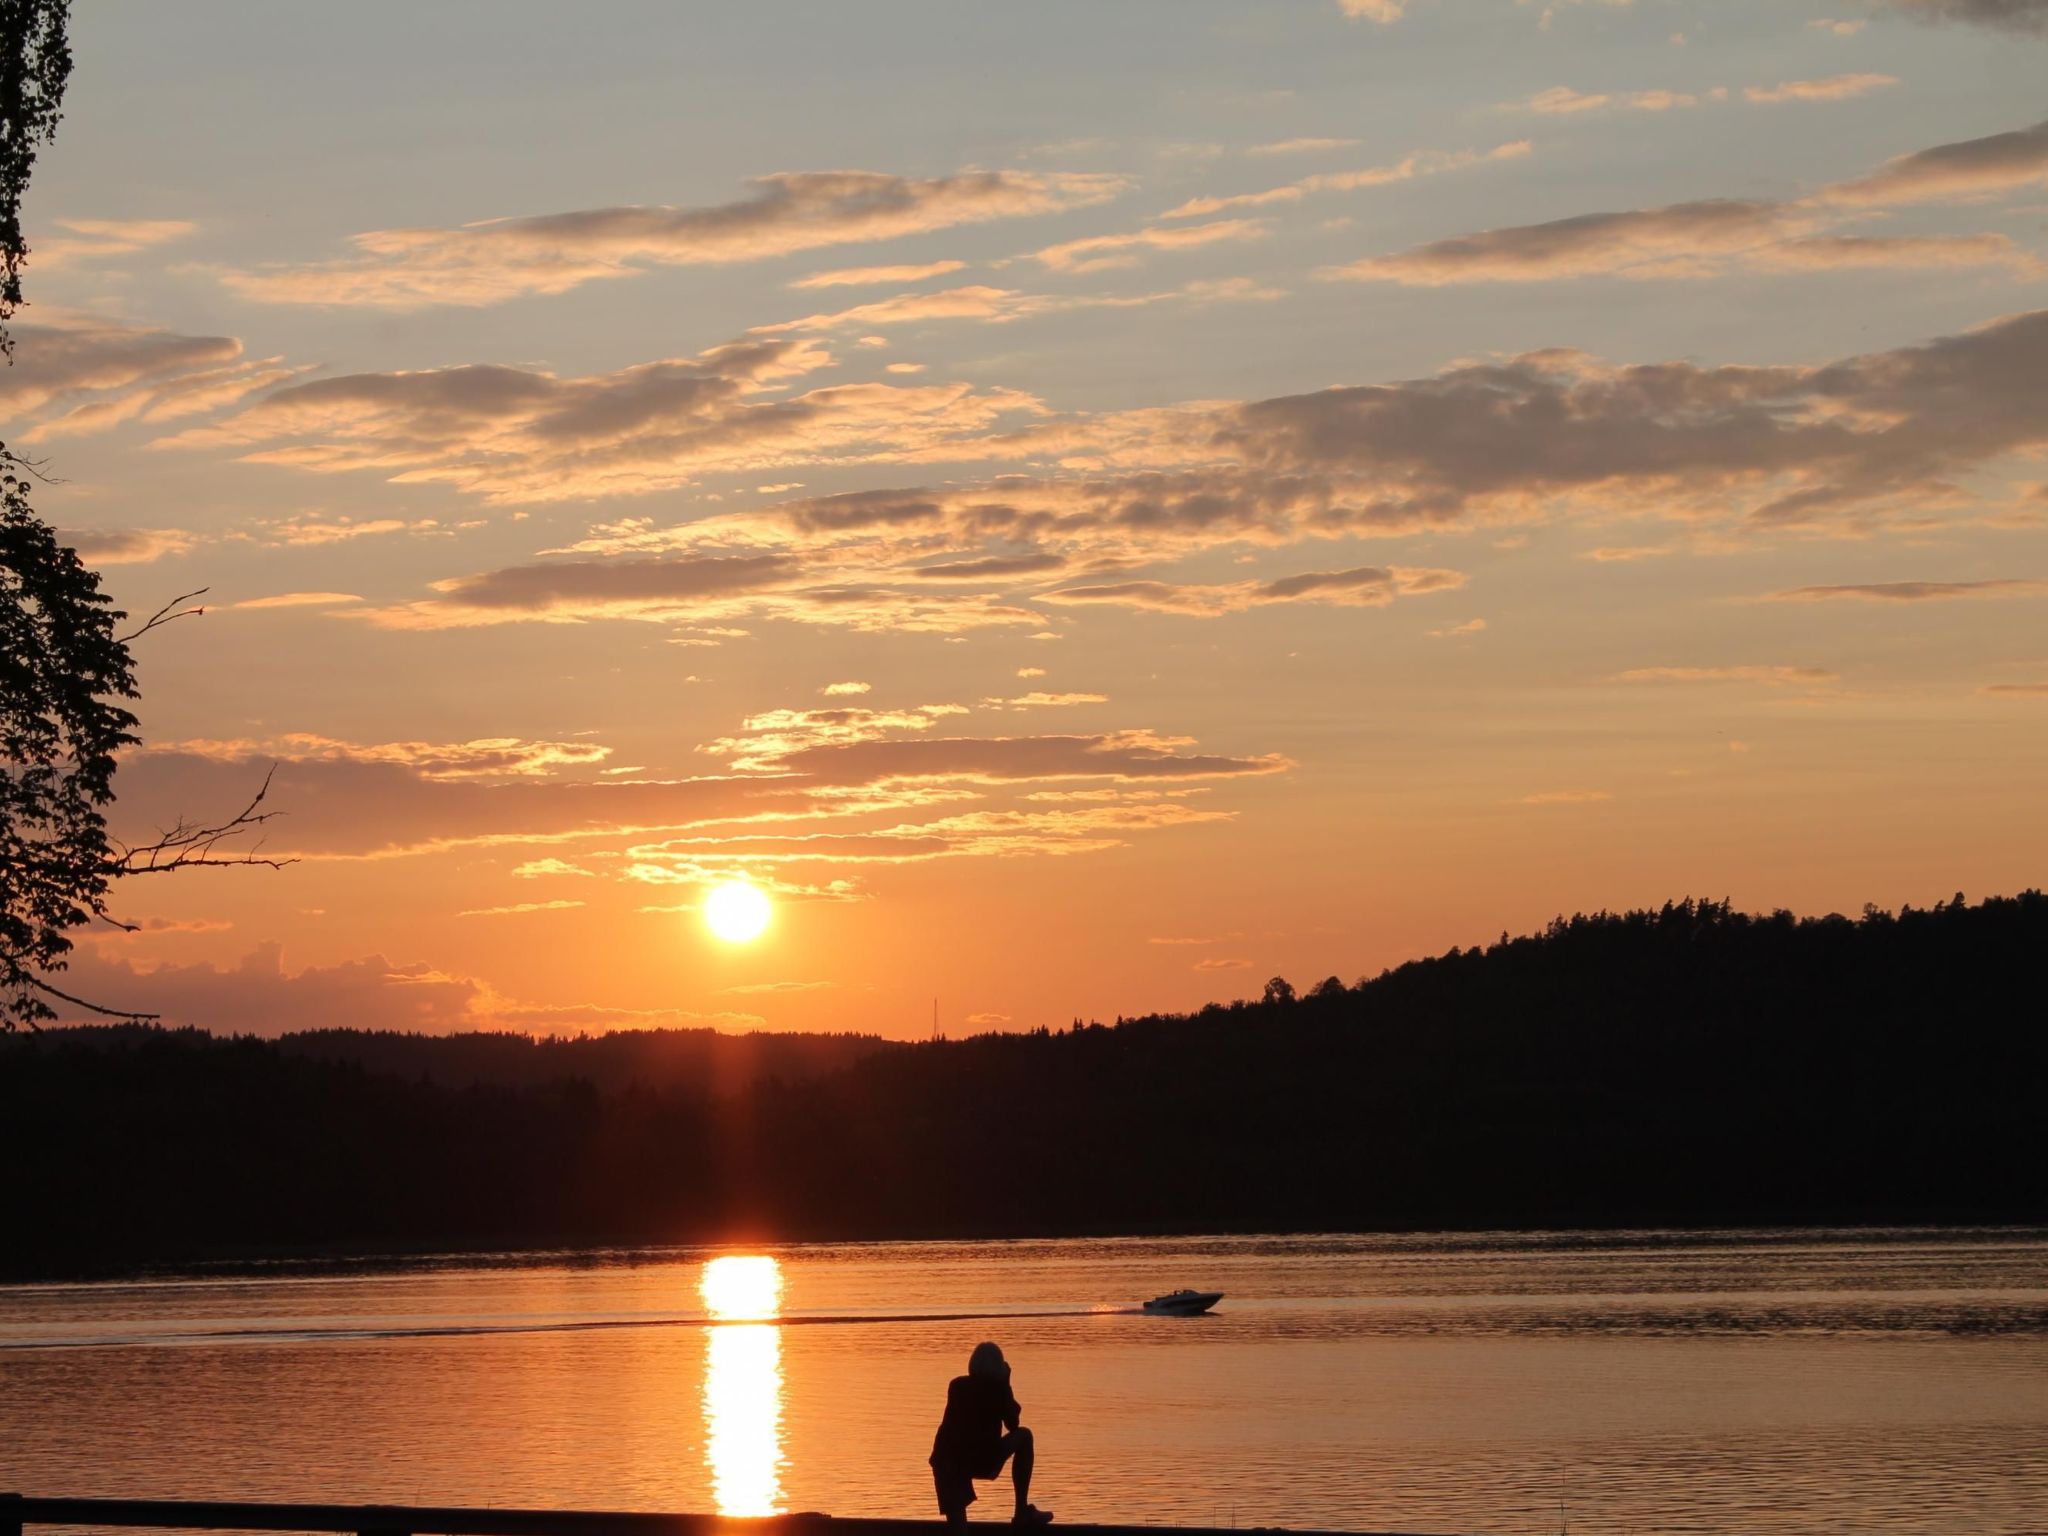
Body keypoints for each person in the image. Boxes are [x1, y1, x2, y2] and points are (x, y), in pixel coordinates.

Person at [929, 1341, 1052, 1527]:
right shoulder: (998, 1389)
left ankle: (1020, 1513)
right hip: (980, 1459)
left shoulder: (956, 1386)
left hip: (947, 1461)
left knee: (958, 1528)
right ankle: (1021, 1511)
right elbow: (1013, 1424)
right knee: (1024, 1436)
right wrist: (1007, 1384)